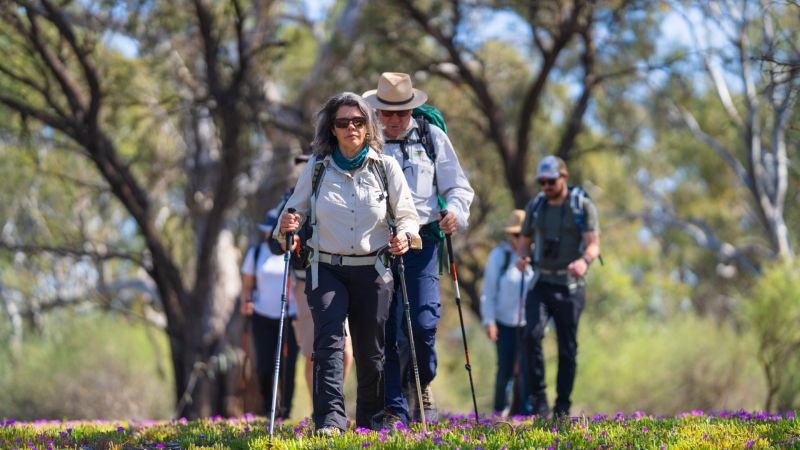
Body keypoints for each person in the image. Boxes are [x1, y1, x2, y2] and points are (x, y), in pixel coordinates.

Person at [275, 92, 421, 435]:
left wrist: (406, 235)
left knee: (372, 350)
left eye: (358, 121)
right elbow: (294, 212)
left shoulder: (386, 168)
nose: (351, 128)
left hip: (374, 270)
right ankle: (330, 421)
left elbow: (408, 216)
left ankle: (369, 419)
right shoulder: (317, 168)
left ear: (368, 127)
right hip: (326, 268)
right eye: (343, 122)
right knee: (328, 343)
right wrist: (288, 224)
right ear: (332, 128)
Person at [363, 72, 474, 426]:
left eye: (402, 113)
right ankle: (395, 407)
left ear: (412, 110)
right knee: (388, 326)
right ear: (377, 112)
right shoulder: (364, 142)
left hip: (422, 244)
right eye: (387, 113)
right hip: (378, 246)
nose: (394, 120)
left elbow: (459, 187)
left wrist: (454, 213)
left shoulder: (431, 137)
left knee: (424, 325)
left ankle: (421, 381)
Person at [516, 155, 601, 418]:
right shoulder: (537, 206)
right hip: (541, 281)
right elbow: (524, 238)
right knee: (531, 334)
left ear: (564, 177)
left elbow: (593, 244)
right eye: (541, 182)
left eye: (551, 181)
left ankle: (562, 406)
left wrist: (584, 261)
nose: (546, 186)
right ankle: (539, 399)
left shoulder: (582, 206)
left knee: (567, 347)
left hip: (569, 286)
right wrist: (522, 256)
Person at [267, 155, 355, 405]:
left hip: (342, 278)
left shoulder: (345, 189)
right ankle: (320, 408)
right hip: (307, 281)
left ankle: (330, 404)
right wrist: (288, 237)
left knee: (345, 350)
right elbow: (274, 243)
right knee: (313, 352)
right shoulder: (291, 198)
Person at [239, 209, 300, 419]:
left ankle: (286, 411)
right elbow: (247, 286)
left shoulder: (292, 252)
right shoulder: (255, 253)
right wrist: (245, 302)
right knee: (265, 366)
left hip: (289, 316)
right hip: (262, 316)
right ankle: (268, 408)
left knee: (288, 366)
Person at [480, 209, 534, 417]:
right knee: (506, 369)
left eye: (524, 235)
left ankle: (526, 411)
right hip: (504, 322)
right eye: (516, 235)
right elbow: (489, 291)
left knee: (529, 369)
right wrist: (489, 321)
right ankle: (499, 411)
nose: (520, 239)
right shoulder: (499, 257)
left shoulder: (535, 257)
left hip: (528, 323)